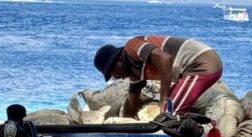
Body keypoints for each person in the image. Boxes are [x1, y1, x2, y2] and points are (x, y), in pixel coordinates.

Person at [93, 34, 223, 118]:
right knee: (169, 112)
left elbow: (164, 58)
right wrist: (125, 124)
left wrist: (163, 99)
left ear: (116, 62)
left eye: (113, 73)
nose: (118, 77)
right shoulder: (135, 74)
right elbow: (132, 102)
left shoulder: (131, 47)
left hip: (201, 63)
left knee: (169, 112)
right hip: (195, 67)